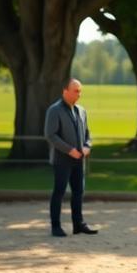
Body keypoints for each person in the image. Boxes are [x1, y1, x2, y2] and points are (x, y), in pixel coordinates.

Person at [44, 78, 97, 237]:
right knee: (59, 192)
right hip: (62, 160)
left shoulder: (81, 110)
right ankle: (55, 226)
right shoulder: (54, 110)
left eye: (80, 91)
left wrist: (87, 146)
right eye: (75, 91)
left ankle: (78, 224)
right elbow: (50, 135)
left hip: (79, 160)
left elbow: (88, 133)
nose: (79, 94)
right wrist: (69, 150)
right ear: (65, 91)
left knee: (78, 192)